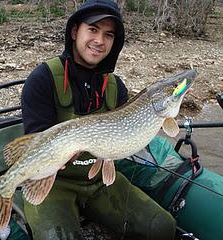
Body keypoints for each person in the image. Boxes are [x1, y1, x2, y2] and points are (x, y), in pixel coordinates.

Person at [21, 0, 176, 239]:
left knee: (162, 227)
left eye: (108, 35)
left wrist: (160, 119)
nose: (100, 41)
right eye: (93, 29)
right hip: (53, 183)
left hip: (100, 182)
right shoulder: (42, 79)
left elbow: (127, 137)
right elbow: (36, 141)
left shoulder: (116, 86)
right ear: (75, 31)